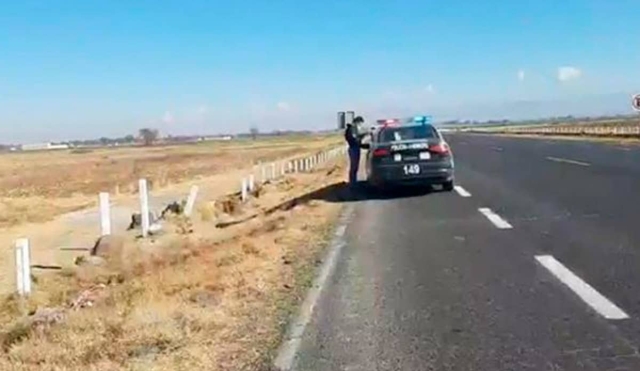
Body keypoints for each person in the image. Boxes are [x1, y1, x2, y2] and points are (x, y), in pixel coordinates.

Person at [344, 116, 369, 186]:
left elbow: (356, 138)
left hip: (355, 148)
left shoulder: (352, 129)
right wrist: (363, 138)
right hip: (353, 148)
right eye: (360, 123)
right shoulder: (352, 129)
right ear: (357, 122)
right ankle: (352, 183)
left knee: (355, 166)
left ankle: (353, 181)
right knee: (354, 166)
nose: (360, 125)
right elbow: (354, 139)